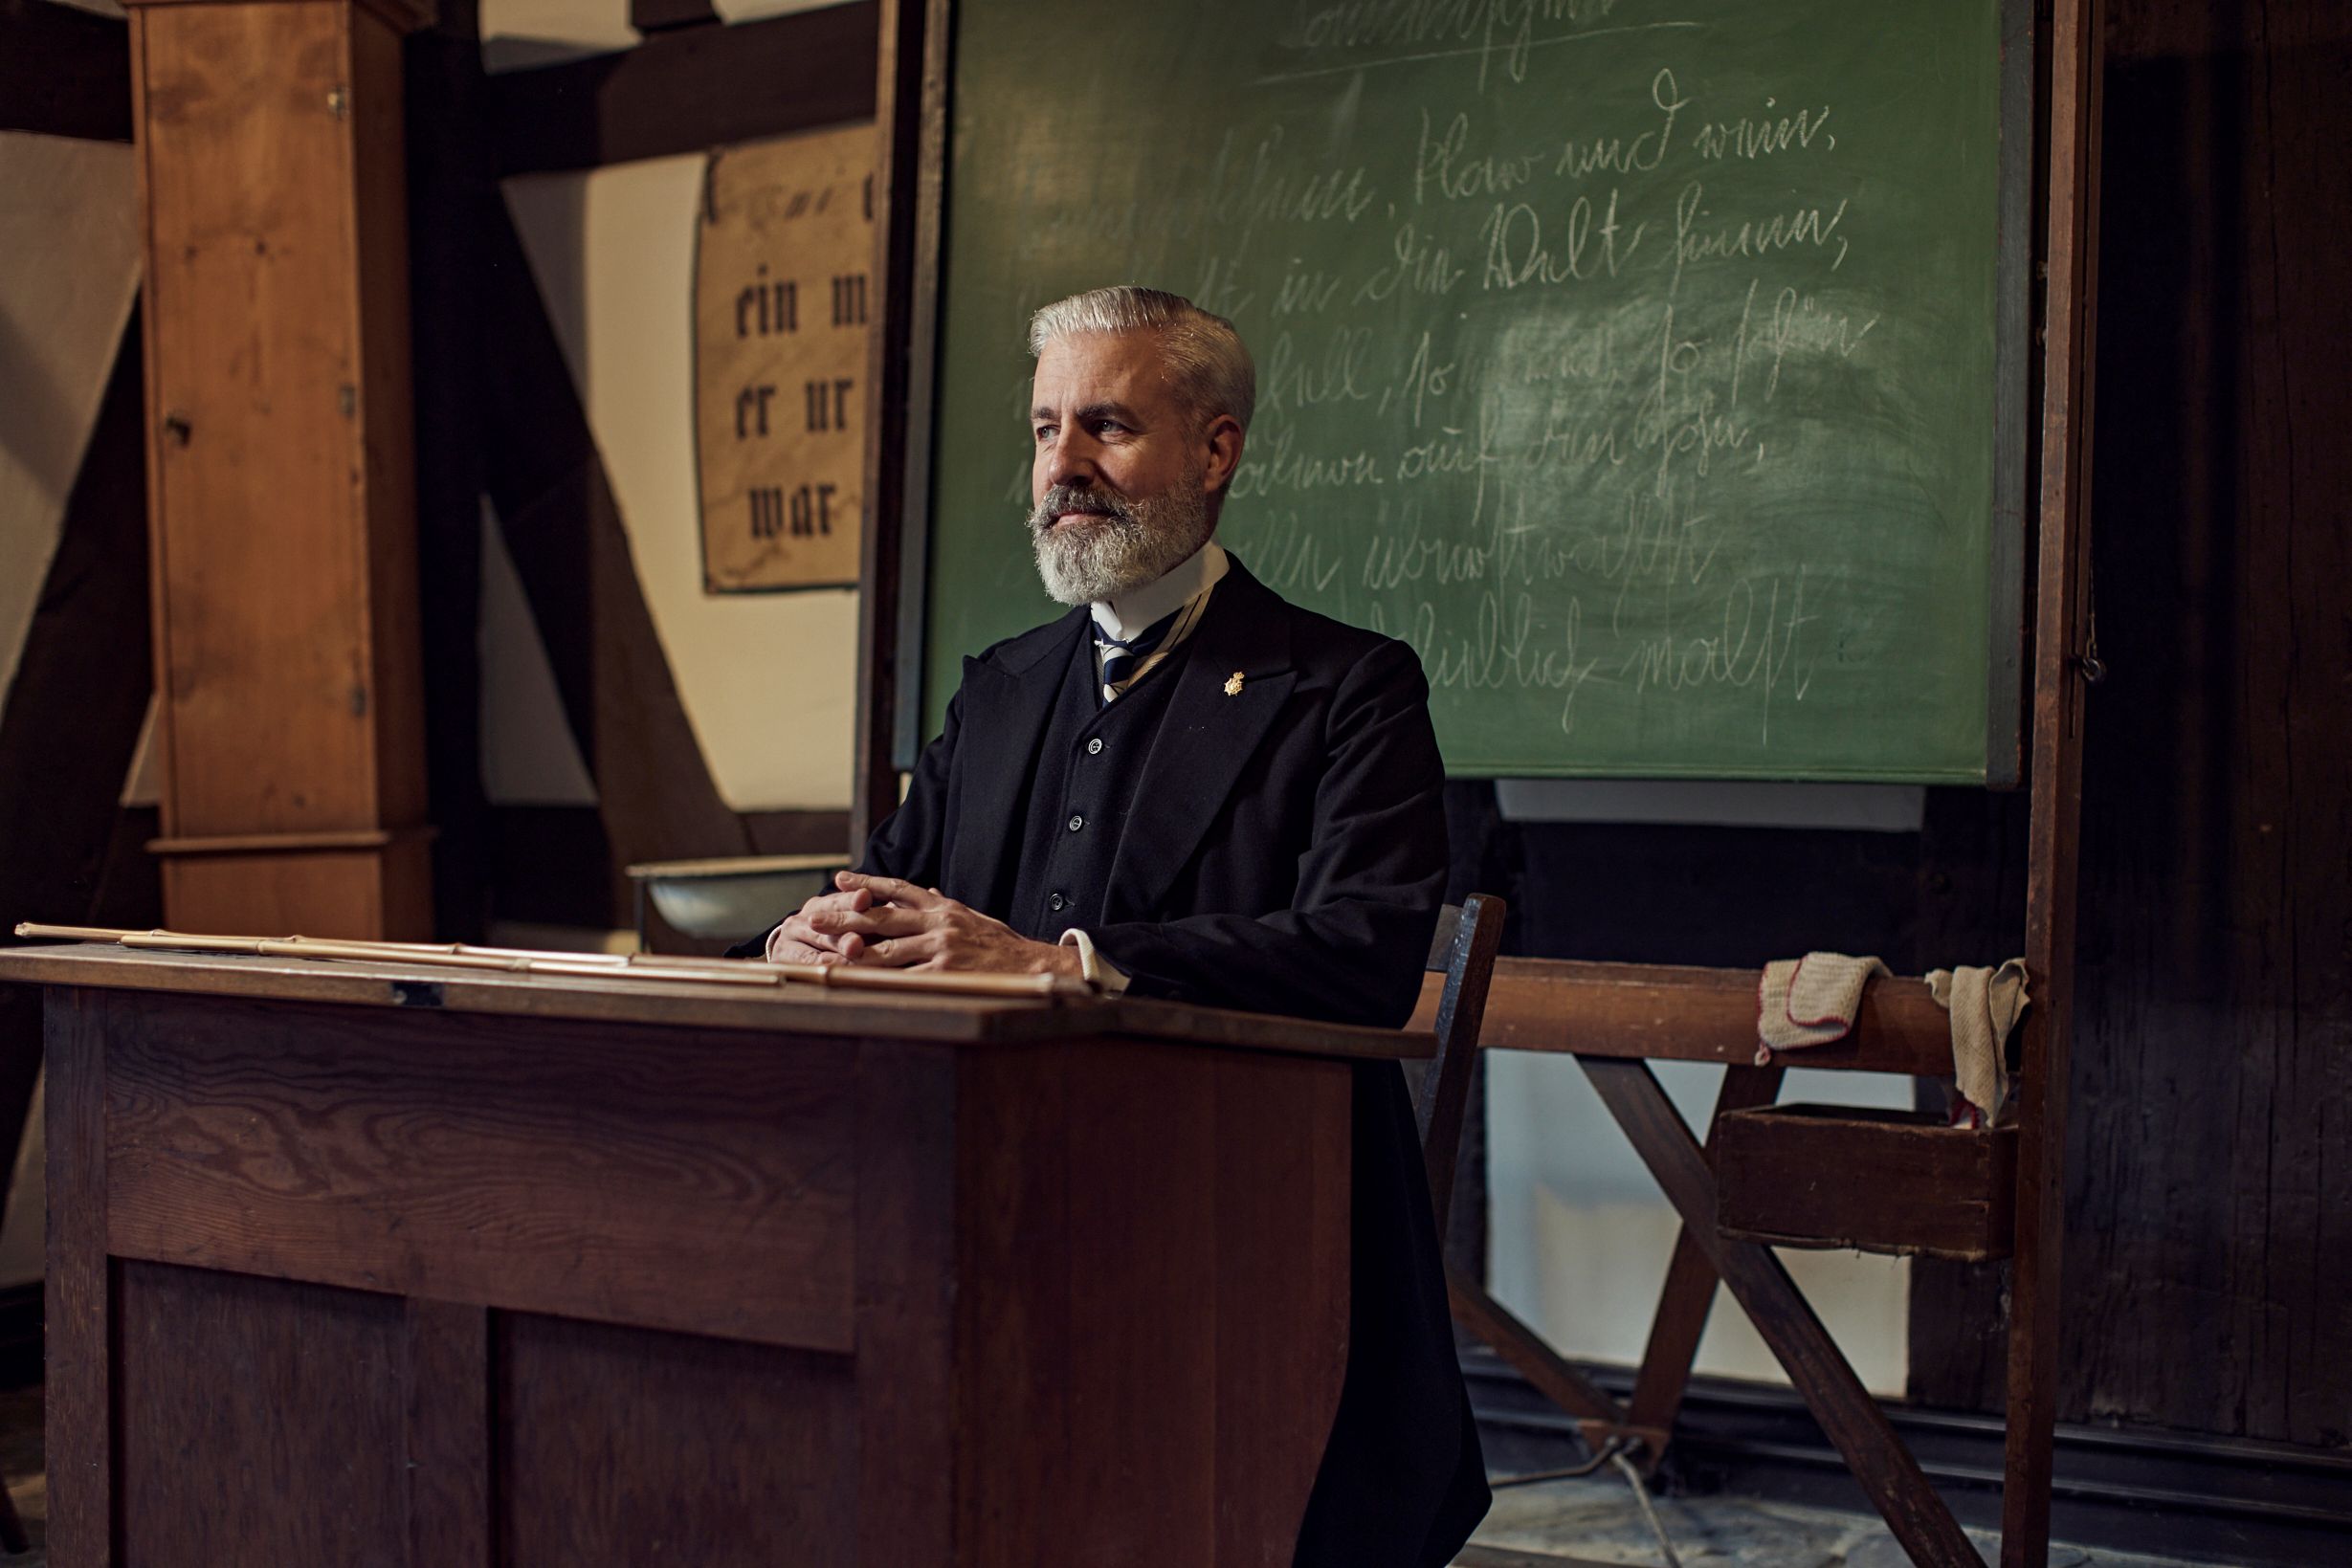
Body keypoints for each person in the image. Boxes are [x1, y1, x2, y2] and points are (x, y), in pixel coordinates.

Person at [743, 285, 1488, 1566]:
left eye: (1106, 427)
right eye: (1044, 430)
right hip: (986, 1206)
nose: (1063, 468)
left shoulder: (1347, 688)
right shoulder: (1000, 685)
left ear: (1215, 449)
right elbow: (887, 890)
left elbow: (1363, 956)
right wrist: (809, 937)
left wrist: (1066, 965)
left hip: (1236, 1222)